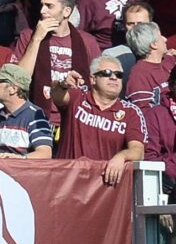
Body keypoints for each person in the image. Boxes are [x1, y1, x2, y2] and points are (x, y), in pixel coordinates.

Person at [60, 55, 147, 186]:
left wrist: (121, 157)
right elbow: (57, 95)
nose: (113, 78)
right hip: (67, 184)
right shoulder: (78, 97)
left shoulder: (131, 112)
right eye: (106, 73)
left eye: (118, 75)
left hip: (103, 190)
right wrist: (62, 84)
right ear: (93, 79)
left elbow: (138, 151)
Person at [0, 65, 53, 159]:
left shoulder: (35, 115)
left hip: (20, 173)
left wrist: (18, 158)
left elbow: (45, 153)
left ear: (13, 89)